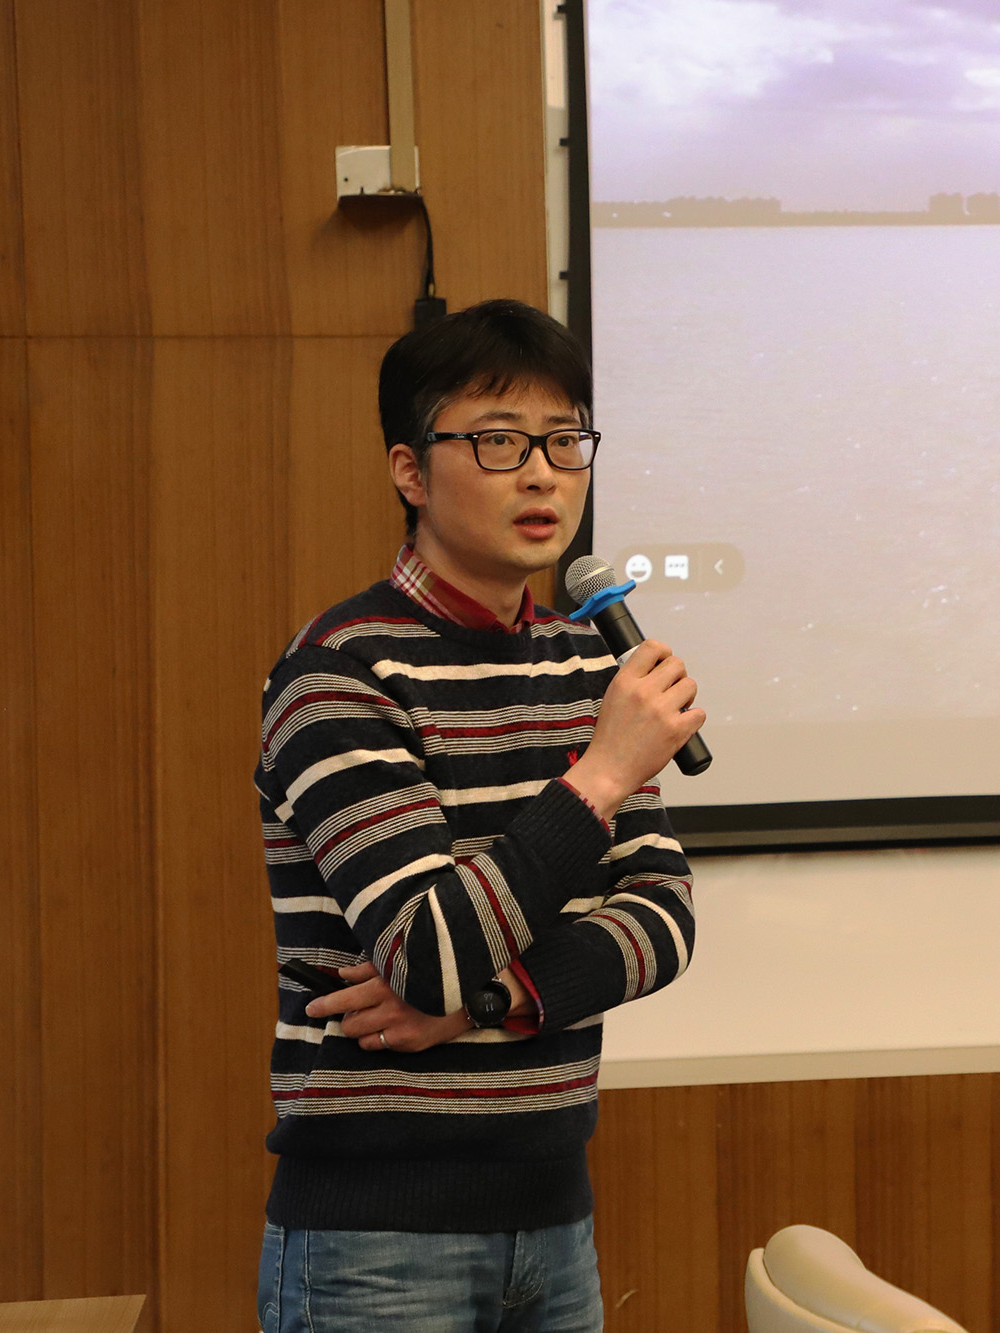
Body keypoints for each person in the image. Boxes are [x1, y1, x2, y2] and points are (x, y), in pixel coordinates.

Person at [254, 299, 703, 1332]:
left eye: (563, 440)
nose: (542, 474)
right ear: (410, 471)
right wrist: (599, 776)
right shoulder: (341, 673)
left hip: (555, 1219)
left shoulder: (591, 662)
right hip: (374, 1244)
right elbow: (423, 953)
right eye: (499, 441)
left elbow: (663, 917)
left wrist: (495, 1001)